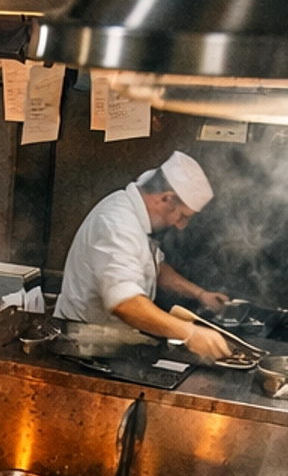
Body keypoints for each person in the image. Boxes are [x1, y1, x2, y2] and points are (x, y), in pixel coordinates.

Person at [55, 152, 235, 364]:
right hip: (83, 351)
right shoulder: (116, 224)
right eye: (182, 215)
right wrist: (189, 333)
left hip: (112, 345)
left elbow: (155, 267)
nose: (181, 225)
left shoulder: (137, 216)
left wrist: (200, 294)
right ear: (166, 198)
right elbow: (124, 302)